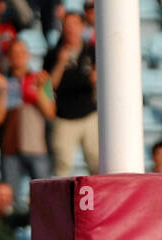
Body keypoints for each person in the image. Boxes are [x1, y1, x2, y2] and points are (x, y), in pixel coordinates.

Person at [0, 38, 56, 198]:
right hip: (10, 147)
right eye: (14, 53)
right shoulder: (1, 81)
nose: (18, 56)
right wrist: (3, 90)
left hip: (37, 146)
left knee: (45, 197)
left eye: (22, 53)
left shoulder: (40, 79)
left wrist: (38, 91)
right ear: (8, 56)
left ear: (28, 55)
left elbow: (50, 113)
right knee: (11, 198)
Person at [46, 11, 98, 178]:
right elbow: (49, 86)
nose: (71, 30)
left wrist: (96, 80)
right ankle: (63, 202)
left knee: (97, 162)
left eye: (75, 25)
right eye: (67, 25)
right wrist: (61, 63)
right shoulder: (53, 54)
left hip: (89, 115)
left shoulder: (92, 52)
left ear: (83, 27)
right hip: (64, 117)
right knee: (63, 165)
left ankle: (99, 201)